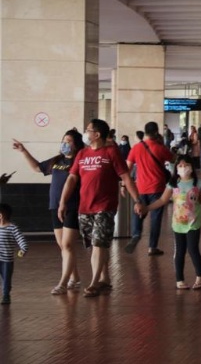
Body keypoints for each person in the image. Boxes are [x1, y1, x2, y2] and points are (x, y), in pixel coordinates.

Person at [59, 119, 144, 297]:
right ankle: (105, 279)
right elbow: (72, 179)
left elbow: (126, 177)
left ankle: (94, 282)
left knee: (99, 243)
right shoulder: (82, 154)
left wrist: (137, 200)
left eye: (88, 130)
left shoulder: (112, 152)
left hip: (105, 206)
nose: (86, 133)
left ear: (96, 135)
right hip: (84, 207)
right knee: (95, 245)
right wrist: (62, 202)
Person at [11, 130, 85, 294]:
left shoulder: (79, 161)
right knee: (62, 246)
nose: (65, 144)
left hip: (72, 206)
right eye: (63, 140)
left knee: (67, 245)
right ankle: (75, 277)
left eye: (69, 141)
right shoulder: (57, 160)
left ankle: (63, 283)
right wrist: (24, 151)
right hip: (54, 206)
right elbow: (38, 167)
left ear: (77, 144)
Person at [146, 155, 201, 290]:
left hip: (193, 222)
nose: (183, 168)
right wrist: (147, 208)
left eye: (186, 165)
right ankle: (179, 280)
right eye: (180, 166)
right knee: (180, 251)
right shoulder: (173, 183)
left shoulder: (198, 183)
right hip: (178, 224)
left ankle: (200, 277)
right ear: (176, 168)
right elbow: (162, 200)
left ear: (192, 167)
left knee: (193, 249)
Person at [125, 121, 174, 256]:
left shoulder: (136, 148)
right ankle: (152, 247)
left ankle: (136, 234)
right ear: (156, 132)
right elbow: (174, 159)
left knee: (138, 210)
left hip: (140, 187)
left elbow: (127, 168)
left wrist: (124, 185)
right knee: (155, 218)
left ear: (145, 132)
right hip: (157, 187)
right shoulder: (160, 148)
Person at [0, 203, 28, 304]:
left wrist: (23, 249)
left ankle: (6, 295)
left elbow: (21, 240)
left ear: (1, 215)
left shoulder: (12, 228)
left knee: (6, 278)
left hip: (6, 260)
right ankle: (6, 289)